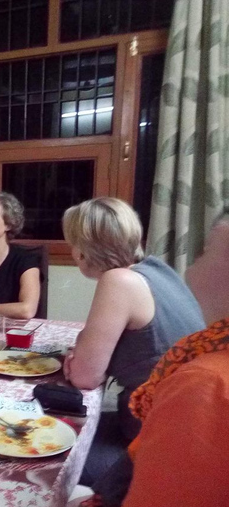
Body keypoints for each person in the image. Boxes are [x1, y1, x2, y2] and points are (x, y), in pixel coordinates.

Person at [61, 197, 205, 492]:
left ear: (84, 250)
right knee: (64, 423)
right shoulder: (155, 269)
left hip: (158, 444)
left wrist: (81, 356)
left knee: (37, 451)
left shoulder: (119, 281)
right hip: (186, 428)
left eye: (72, 242)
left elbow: (84, 377)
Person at [119, 210, 229, 506]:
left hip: (131, 433)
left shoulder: (205, 383)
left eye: (207, 251)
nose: (191, 268)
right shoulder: (155, 268)